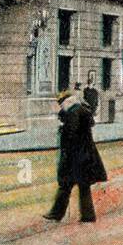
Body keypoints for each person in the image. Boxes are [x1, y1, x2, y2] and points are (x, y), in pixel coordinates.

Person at [42, 92, 107, 223]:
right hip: (85, 155)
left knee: (65, 185)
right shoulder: (81, 109)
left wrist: (63, 131)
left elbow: (71, 133)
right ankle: (87, 216)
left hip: (75, 157)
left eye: (60, 104)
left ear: (66, 102)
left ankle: (56, 213)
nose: (60, 107)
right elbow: (88, 124)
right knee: (83, 186)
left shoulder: (73, 112)